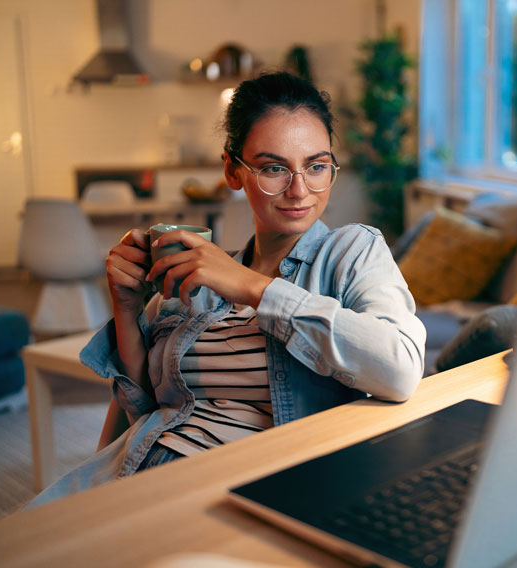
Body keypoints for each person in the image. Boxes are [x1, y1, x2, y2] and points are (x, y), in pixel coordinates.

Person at [30, 72, 426, 505]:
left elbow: (400, 368)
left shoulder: (351, 252)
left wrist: (254, 287)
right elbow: (144, 410)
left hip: (240, 487)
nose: (299, 190)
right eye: (274, 168)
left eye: (316, 166)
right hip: (137, 467)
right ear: (233, 171)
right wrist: (127, 309)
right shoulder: (198, 274)